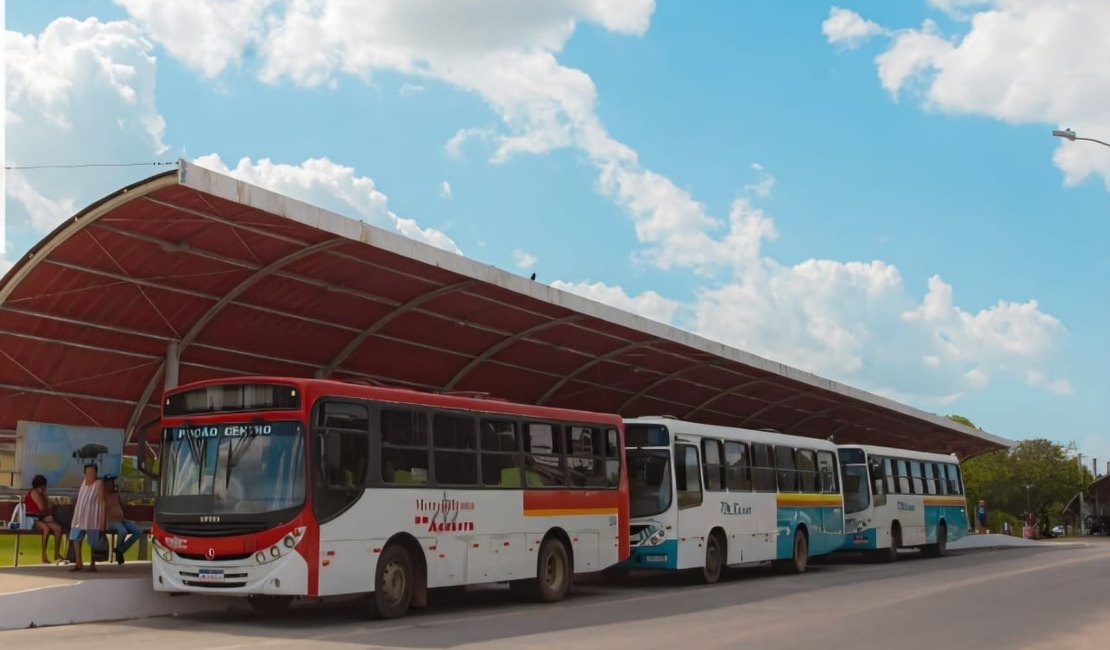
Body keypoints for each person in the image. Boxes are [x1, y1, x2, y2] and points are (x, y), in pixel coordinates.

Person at [68, 464, 105, 572]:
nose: (90, 474)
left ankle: (92, 564)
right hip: (79, 515)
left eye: (93, 472)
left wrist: (102, 520)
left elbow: (102, 502)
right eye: (88, 472)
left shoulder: (99, 484)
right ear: (85, 473)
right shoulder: (83, 483)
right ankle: (78, 563)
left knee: (92, 541)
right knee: (75, 537)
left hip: (92, 517)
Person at [23, 474, 64, 563]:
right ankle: (43, 556)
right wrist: (47, 503)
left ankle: (57, 554)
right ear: (40, 485)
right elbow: (42, 507)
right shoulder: (35, 493)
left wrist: (49, 505)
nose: (45, 488)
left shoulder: (42, 494)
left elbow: (46, 509)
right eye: (44, 486)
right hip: (31, 519)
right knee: (46, 529)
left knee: (58, 528)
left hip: (41, 518)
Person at [102, 475, 142, 565]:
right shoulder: (102, 495)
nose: (111, 484)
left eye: (112, 482)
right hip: (111, 521)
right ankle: (119, 553)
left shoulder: (116, 493)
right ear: (105, 483)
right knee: (123, 531)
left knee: (139, 532)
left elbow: (121, 505)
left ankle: (120, 550)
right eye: (109, 482)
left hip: (122, 519)